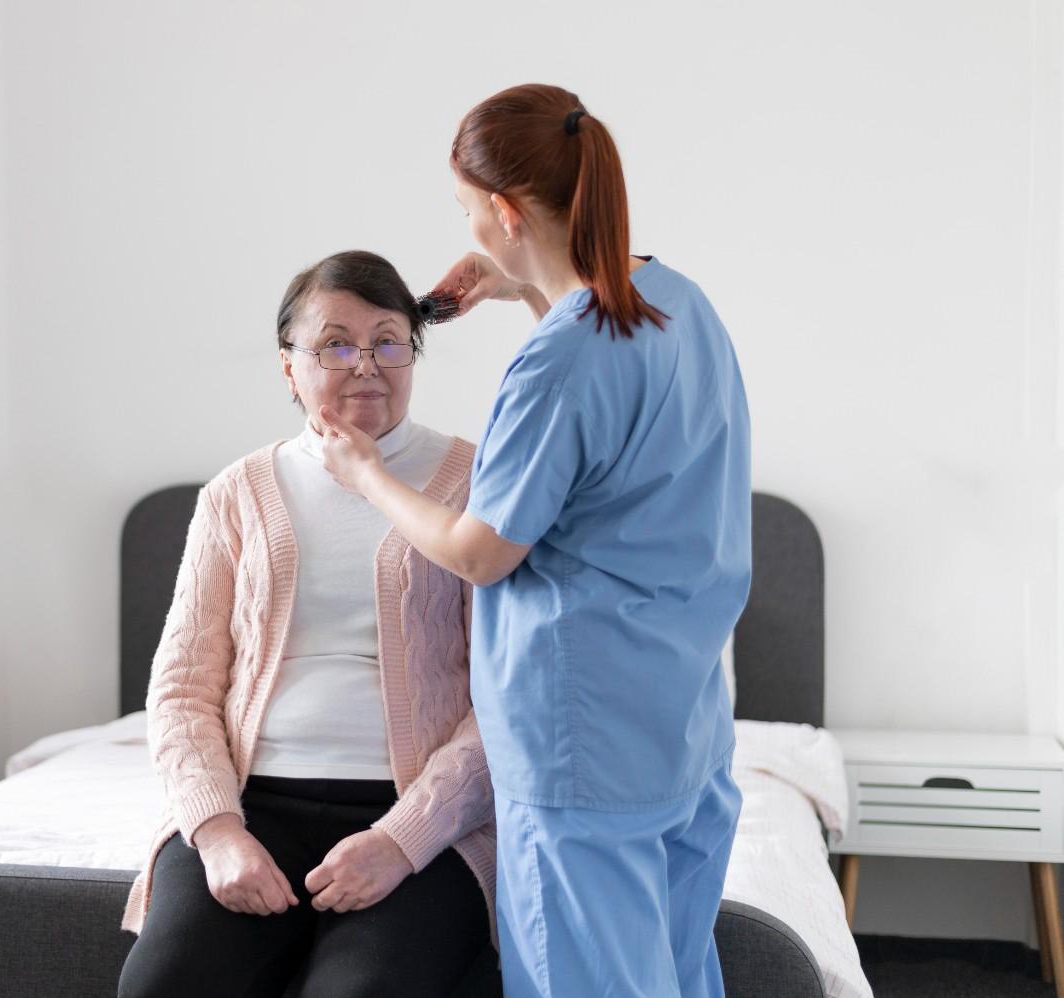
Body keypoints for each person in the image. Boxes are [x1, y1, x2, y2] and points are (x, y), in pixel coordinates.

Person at [318, 85, 752, 998]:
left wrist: (368, 476)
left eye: (471, 214)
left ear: (506, 214)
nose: (469, 232)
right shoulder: (678, 301)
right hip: (678, 727)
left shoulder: (561, 360)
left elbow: (481, 550)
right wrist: (527, 288)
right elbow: (609, 449)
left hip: (580, 747)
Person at [117, 250, 497, 998]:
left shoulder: (476, 484)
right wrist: (219, 833)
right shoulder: (236, 494)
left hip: (416, 814)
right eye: (334, 344)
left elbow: (509, 705)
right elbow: (183, 690)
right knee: (159, 988)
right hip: (254, 805)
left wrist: (401, 839)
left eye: (389, 341)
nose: (366, 365)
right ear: (287, 366)